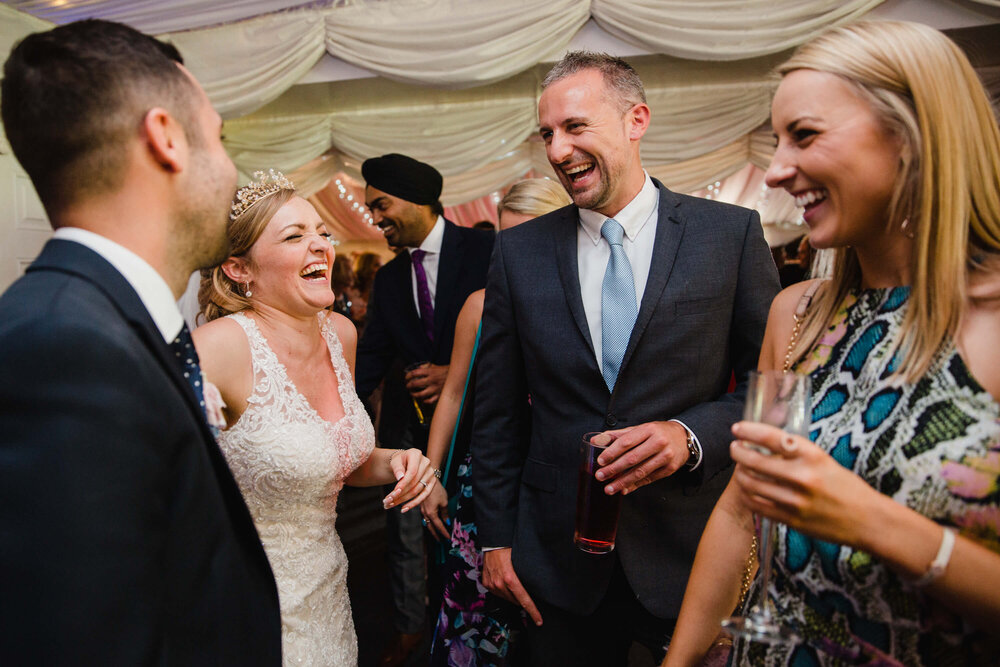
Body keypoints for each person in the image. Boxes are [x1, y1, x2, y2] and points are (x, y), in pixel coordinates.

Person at [664, 21, 1000, 666]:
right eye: (777, 140)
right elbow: (741, 512)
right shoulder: (800, 316)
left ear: (911, 136)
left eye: (805, 135)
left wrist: (872, 522)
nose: (777, 171)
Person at [472, 51, 780, 665]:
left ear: (636, 120)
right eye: (547, 134)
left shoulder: (730, 235)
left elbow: (771, 386)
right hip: (554, 562)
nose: (558, 150)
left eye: (576, 127)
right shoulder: (518, 253)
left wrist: (689, 435)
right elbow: (497, 410)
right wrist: (496, 541)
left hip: (688, 554)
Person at [0, 19, 282, 665]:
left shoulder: (104, 324)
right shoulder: (62, 348)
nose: (230, 165)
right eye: (220, 136)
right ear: (165, 138)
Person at [195, 169, 436, 666]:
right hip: (247, 607)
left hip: (327, 594)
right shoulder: (220, 349)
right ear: (241, 269)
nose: (320, 245)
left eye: (320, 232)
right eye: (294, 236)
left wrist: (399, 460)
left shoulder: (339, 335)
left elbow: (337, 459)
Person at [422, 178, 572, 666]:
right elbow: (452, 394)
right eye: (510, 241)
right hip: (484, 485)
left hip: (557, 485)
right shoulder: (480, 304)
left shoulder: (586, 303)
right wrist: (432, 474)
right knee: (476, 628)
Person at [355, 153, 495, 665]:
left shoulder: (486, 248)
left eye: (381, 204)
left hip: (477, 435)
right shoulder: (390, 279)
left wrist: (455, 372)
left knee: (470, 540)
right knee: (408, 538)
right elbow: (369, 359)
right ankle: (414, 629)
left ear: (416, 198)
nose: (374, 218)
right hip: (407, 437)